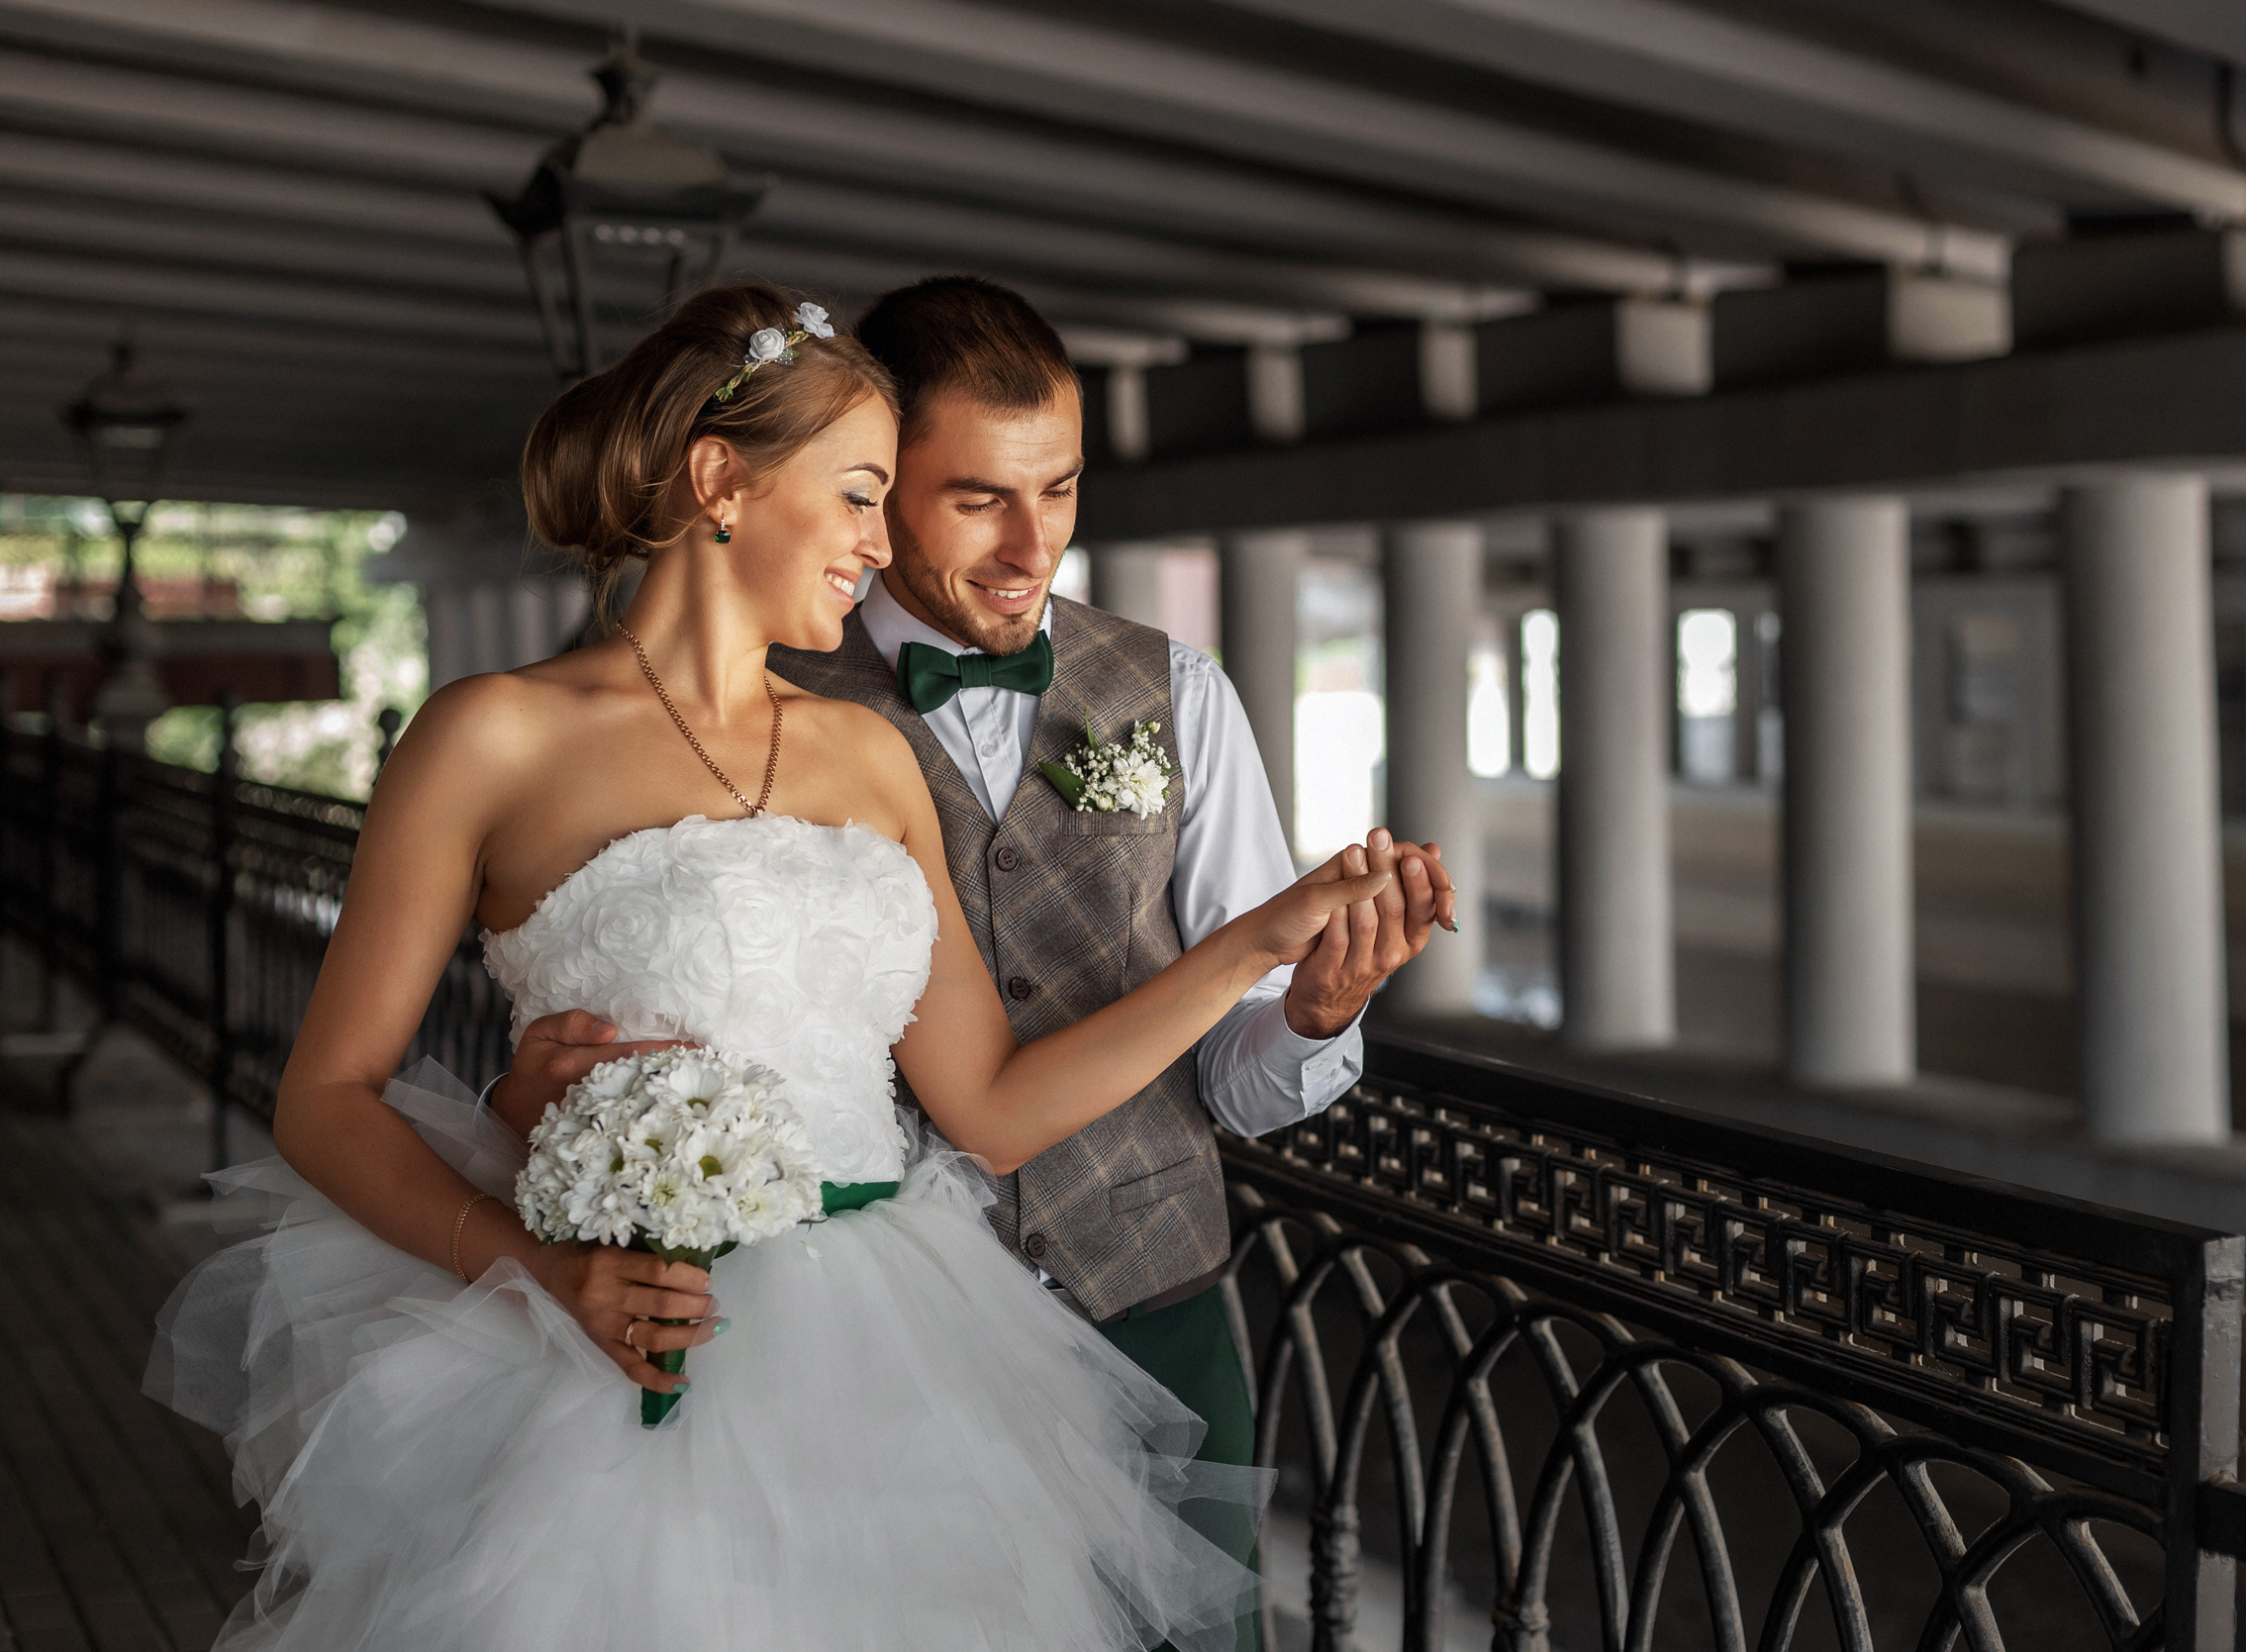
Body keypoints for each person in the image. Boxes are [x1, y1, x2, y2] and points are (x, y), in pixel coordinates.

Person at [145, 280, 1448, 1651]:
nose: (880, 545)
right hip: (627, 1359)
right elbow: (326, 1096)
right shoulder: (487, 737)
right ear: (721, 481)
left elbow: (993, 1107)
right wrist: (534, 1259)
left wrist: (1257, 942)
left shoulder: (871, 756)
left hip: (911, 1357)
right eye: (864, 497)